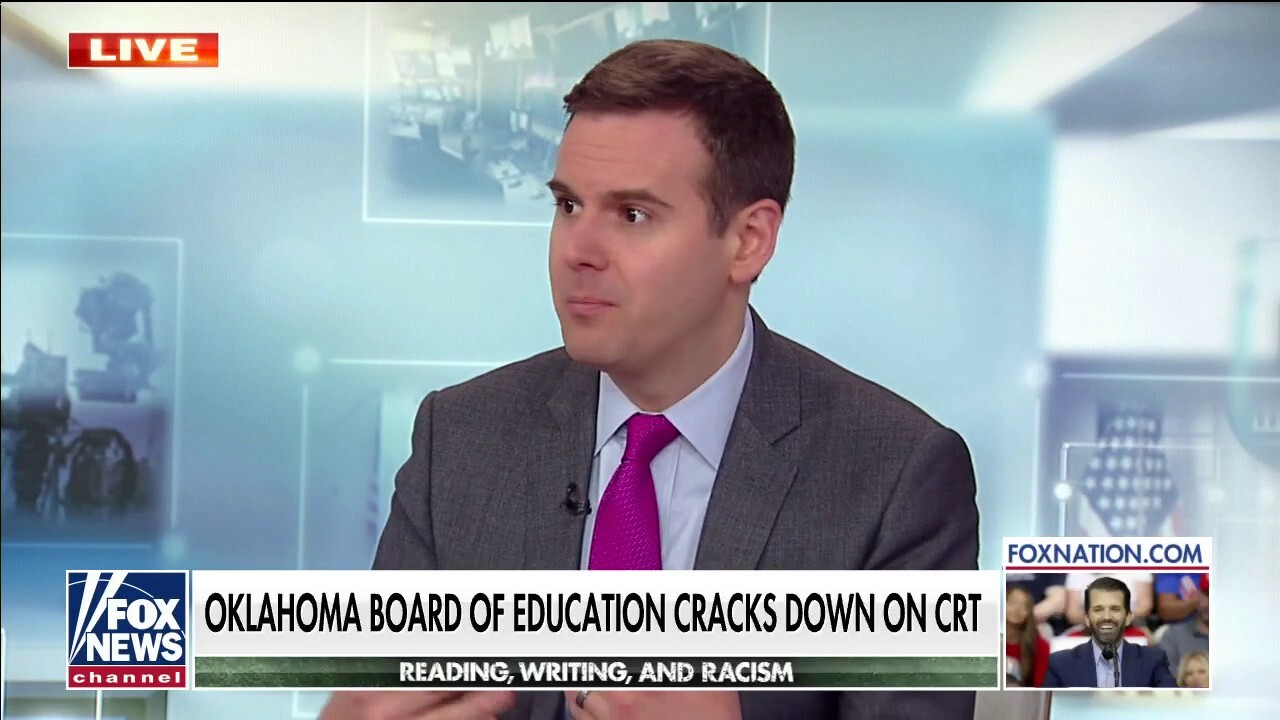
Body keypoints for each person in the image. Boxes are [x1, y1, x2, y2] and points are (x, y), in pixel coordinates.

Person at [323, 38, 979, 720]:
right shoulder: (460, 440)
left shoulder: (894, 477)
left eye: (632, 215)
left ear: (749, 240)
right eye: (568, 206)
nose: (578, 251)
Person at [1042, 577, 1177, 689]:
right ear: (1087, 618)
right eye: (1098, 609)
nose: (1106, 617)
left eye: (1115, 609)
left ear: (1128, 617)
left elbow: (1171, 706)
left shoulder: (1153, 661)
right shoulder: (1060, 664)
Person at [1159, 573, 1209, 672]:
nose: (1209, 603)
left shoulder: (1238, 637)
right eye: (1206, 594)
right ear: (1197, 595)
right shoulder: (1173, 637)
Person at [1005, 586, 1050, 688]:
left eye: (1024, 606)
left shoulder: (1040, 646)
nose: (1017, 609)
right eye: (1013, 603)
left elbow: (1040, 687)